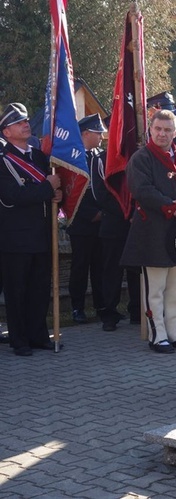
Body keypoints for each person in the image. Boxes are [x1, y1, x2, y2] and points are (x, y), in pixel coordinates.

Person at [120, 109, 176, 353]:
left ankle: (174, 331)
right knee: (156, 288)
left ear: (175, 131)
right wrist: (175, 207)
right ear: (150, 129)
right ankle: (157, 333)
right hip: (153, 232)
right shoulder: (141, 158)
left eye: (168, 129)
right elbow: (143, 190)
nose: (162, 134)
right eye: (158, 129)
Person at [0, 103, 62, 356]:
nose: (26, 124)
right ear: (6, 132)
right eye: (18, 122)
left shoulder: (39, 156)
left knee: (39, 288)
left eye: (26, 120)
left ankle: (38, 335)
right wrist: (48, 188)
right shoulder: (4, 162)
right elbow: (12, 196)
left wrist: (56, 192)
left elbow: (51, 187)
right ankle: (20, 340)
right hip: (15, 238)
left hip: (41, 233)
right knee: (17, 290)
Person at [90, 117, 141, 332]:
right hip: (114, 224)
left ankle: (137, 310)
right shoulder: (101, 159)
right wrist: (125, 211)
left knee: (136, 270)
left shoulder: (138, 157)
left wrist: (135, 212)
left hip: (136, 224)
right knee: (111, 270)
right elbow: (100, 194)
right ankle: (109, 314)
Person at [67, 115, 106, 324]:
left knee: (100, 267)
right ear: (85, 133)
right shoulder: (73, 157)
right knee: (80, 267)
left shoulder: (99, 156)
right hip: (81, 223)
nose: (101, 136)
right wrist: (91, 214)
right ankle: (77, 308)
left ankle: (101, 306)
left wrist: (104, 212)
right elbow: (70, 192)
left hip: (102, 222)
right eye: (97, 132)